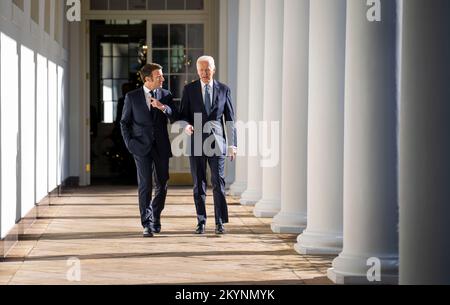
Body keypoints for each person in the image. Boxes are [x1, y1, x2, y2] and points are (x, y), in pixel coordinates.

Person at [180, 56, 237, 235]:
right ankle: (201, 220)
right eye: (201, 70)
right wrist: (186, 125)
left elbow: (230, 119)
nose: (204, 73)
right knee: (199, 183)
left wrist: (232, 145)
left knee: (218, 182)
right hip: (196, 141)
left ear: (214, 69)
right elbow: (183, 114)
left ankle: (220, 222)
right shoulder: (189, 90)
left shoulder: (224, 89)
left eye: (207, 69)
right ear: (197, 71)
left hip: (218, 143)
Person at [120, 63, 177, 237]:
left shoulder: (166, 95)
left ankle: (155, 217)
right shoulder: (132, 97)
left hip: (161, 146)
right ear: (147, 79)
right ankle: (147, 223)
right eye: (159, 76)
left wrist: (163, 107)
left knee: (162, 183)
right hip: (140, 147)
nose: (163, 79)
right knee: (145, 185)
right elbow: (124, 123)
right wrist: (130, 144)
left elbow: (175, 116)